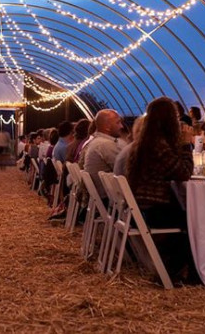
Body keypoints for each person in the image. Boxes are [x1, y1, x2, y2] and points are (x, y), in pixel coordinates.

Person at [125, 97, 195, 281]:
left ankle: (178, 269)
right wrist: (186, 144)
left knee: (189, 215)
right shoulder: (158, 146)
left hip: (141, 208)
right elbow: (184, 172)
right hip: (152, 209)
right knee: (195, 220)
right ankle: (185, 273)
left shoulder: (145, 143)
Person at [83, 109, 128, 197]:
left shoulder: (98, 142)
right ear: (107, 127)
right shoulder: (105, 144)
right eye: (118, 123)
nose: (121, 126)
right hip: (109, 198)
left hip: (101, 196)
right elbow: (126, 169)